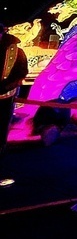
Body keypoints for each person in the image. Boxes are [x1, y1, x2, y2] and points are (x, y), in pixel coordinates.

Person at [1, 23, 29, 158]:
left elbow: (21, 73)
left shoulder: (17, 52)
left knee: (1, 123)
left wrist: (6, 87)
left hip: (5, 97)